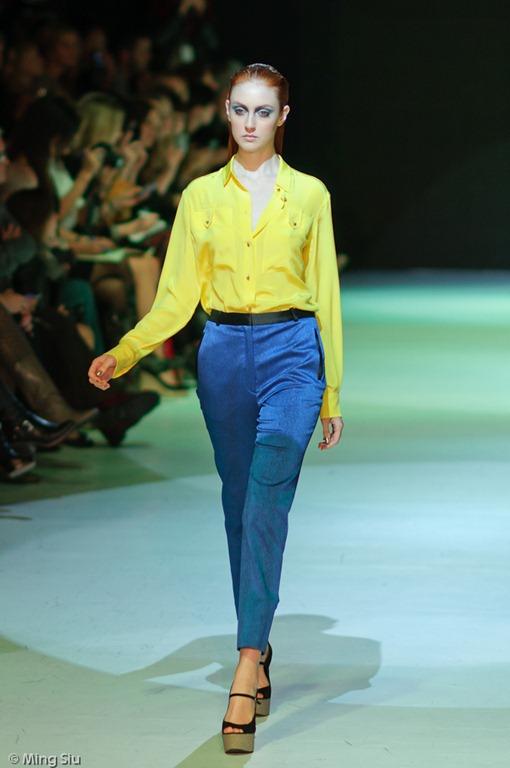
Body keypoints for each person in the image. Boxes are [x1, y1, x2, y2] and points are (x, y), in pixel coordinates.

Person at [88, 62, 344, 754]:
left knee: (265, 502)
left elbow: (325, 291)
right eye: (239, 109)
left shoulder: (310, 194)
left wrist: (332, 390)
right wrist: (127, 350)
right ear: (226, 113)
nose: (250, 123)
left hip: (293, 354)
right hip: (224, 356)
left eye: (263, 111)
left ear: (283, 117)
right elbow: (175, 297)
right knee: (238, 505)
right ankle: (259, 642)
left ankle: (245, 664)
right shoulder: (199, 196)